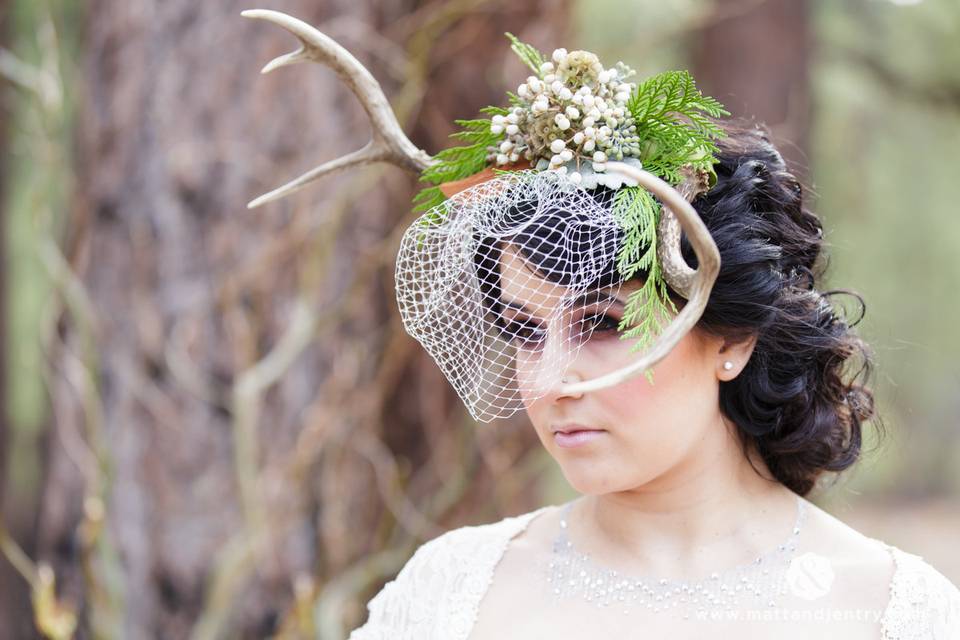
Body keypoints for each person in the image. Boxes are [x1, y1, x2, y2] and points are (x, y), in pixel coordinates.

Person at [349, 122, 960, 639]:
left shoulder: (887, 612)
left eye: (602, 322)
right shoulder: (453, 597)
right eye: (526, 330)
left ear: (730, 337)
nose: (553, 379)